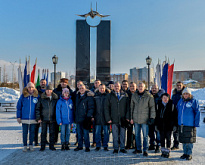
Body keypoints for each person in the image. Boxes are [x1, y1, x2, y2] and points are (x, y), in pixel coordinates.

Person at [130, 82, 155, 156]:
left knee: (145, 135)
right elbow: (131, 107)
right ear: (137, 87)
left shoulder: (149, 96)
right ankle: (138, 149)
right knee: (137, 135)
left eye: (142, 86)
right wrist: (131, 118)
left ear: (144, 87)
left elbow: (152, 108)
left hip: (145, 119)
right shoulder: (134, 95)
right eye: (139, 86)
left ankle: (145, 149)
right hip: (136, 119)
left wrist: (152, 117)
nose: (140, 87)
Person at [104, 82, 130, 154]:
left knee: (122, 134)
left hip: (123, 119)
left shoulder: (125, 95)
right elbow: (106, 108)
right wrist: (108, 118)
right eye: (115, 86)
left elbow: (128, 107)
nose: (116, 87)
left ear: (120, 86)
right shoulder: (109, 96)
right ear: (113, 87)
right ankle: (115, 148)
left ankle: (122, 148)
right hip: (114, 118)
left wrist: (127, 117)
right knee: (115, 135)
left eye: (118, 86)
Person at [177, 87, 200, 161]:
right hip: (181, 124)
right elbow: (177, 110)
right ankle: (185, 153)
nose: (185, 95)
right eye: (184, 93)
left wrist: (196, 123)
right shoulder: (180, 101)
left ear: (189, 94)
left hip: (190, 124)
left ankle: (189, 153)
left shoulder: (193, 101)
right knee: (184, 140)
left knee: (189, 141)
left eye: (187, 93)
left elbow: (197, 112)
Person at [16, 82, 39, 152]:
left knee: (32, 132)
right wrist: (18, 116)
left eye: (32, 87)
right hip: (24, 118)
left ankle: (31, 145)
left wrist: (39, 117)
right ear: (27, 88)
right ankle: (25, 145)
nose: (31, 89)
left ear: (34, 88)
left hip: (33, 118)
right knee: (25, 132)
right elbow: (19, 107)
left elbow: (39, 107)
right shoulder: (23, 96)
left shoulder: (37, 96)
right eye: (29, 87)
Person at [36, 85, 58, 151]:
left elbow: (57, 108)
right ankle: (42, 146)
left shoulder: (55, 98)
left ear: (52, 90)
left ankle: (52, 145)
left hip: (52, 118)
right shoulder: (41, 98)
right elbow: (38, 108)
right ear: (45, 90)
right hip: (44, 118)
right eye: (47, 90)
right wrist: (38, 117)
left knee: (52, 133)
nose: (48, 91)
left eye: (50, 90)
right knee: (43, 133)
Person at [155, 93, 178, 158]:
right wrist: (156, 124)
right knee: (162, 139)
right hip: (161, 125)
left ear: (169, 98)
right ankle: (163, 151)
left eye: (167, 98)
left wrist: (175, 125)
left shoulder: (172, 105)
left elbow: (175, 116)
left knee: (168, 139)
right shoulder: (158, 105)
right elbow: (156, 116)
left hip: (169, 126)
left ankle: (167, 151)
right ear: (161, 98)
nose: (165, 99)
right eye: (164, 97)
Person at [74, 84, 94, 152]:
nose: (81, 90)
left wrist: (88, 116)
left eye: (82, 88)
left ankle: (87, 147)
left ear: (85, 89)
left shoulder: (88, 97)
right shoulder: (77, 96)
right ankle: (80, 146)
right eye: (80, 88)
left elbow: (91, 108)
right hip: (78, 118)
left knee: (86, 134)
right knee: (79, 134)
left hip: (85, 119)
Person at [53, 78, 73, 143]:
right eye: (62, 82)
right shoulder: (56, 90)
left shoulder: (71, 91)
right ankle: (57, 141)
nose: (63, 83)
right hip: (59, 113)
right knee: (58, 130)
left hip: (68, 117)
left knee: (67, 131)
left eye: (65, 82)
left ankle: (67, 142)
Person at [93, 84, 110, 151]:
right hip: (97, 117)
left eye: (103, 88)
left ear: (105, 89)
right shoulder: (95, 96)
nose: (102, 89)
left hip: (106, 118)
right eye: (100, 88)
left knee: (106, 133)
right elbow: (93, 107)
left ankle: (105, 145)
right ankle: (98, 145)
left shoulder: (108, 96)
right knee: (97, 133)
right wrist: (93, 116)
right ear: (98, 89)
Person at [149, 84, 165, 152]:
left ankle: (158, 145)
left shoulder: (161, 96)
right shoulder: (149, 96)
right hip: (150, 116)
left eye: (155, 88)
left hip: (158, 117)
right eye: (153, 88)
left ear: (158, 89)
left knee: (158, 132)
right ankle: (152, 143)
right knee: (150, 132)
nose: (154, 89)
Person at [171, 81, 186, 150]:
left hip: (183, 115)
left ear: (183, 86)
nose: (179, 86)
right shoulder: (174, 94)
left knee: (183, 131)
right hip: (175, 115)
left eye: (180, 85)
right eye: (177, 85)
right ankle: (175, 144)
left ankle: (185, 146)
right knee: (175, 130)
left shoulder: (185, 94)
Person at [71, 80, 84, 146]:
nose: (79, 85)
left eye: (80, 84)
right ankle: (78, 140)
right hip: (76, 113)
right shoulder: (74, 93)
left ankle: (83, 140)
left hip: (84, 114)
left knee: (84, 129)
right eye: (78, 84)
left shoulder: (86, 92)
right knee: (77, 129)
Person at [34, 79, 47, 146]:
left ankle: (44, 140)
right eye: (42, 82)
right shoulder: (36, 91)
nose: (43, 83)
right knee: (36, 128)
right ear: (40, 83)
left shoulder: (47, 90)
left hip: (45, 112)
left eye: (44, 82)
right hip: (38, 111)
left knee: (44, 128)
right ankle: (35, 141)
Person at [125, 82, 137, 149]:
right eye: (131, 86)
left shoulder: (138, 94)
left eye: (133, 86)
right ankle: (129, 144)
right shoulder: (126, 94)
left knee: (136, 132)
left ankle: (135, 144)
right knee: (129, 131)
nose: (132, 87)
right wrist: (127, 117)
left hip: (137, 115)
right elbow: (125, 106)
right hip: (129, 115)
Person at [90, 79, 101, 147]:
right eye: (95, 83)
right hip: (94, 113)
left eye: (98, 83)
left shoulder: (103, 91)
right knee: (95, 130)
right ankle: (94, 142)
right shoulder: (91, 91)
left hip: (101, 114)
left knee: (102, 130)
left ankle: (101, 142)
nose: (96, 84)